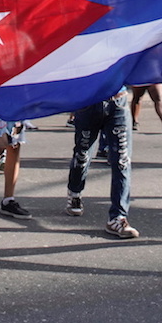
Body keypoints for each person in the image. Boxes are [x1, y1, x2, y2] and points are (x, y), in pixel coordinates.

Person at [65, 87, 139, 238]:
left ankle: (118, 217)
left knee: (122, 160)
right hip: (88, 103)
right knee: (83, 155)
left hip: (118, 101)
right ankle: (75, 192)